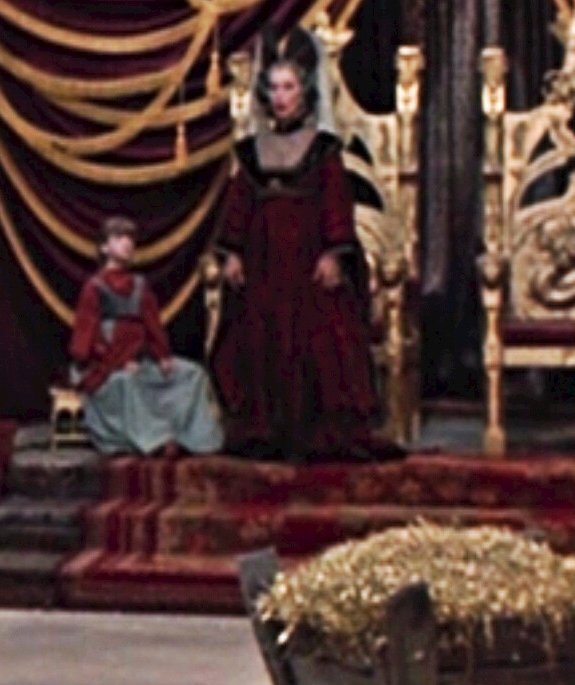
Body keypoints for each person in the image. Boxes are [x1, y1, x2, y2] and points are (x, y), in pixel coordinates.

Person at [210, 27, 402, 463]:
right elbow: (239, 204)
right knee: (258, 333)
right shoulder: (252, 151)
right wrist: (232, 252)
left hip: (308, 260)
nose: (281, 97)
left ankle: (316, 430)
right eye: (275, 88)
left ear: (304, 93)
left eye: (289, 87)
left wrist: (334, 252)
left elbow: (336, 204)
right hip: (263, 260)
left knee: (318, 338)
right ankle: (263, 428)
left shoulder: (323, 151)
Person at [69, 217, 223, 456]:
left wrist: (162, 356)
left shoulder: (139, 286)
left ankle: (189, 437)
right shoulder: (94, 287)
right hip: (105, 368)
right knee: (127, 383)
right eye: (119, 238)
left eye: (130, 238)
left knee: (193, 374)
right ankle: (155, 440)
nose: (127, 243)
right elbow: (86, 339)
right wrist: (116, 364)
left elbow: (153, 326)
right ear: (104, 247)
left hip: (139, 362)